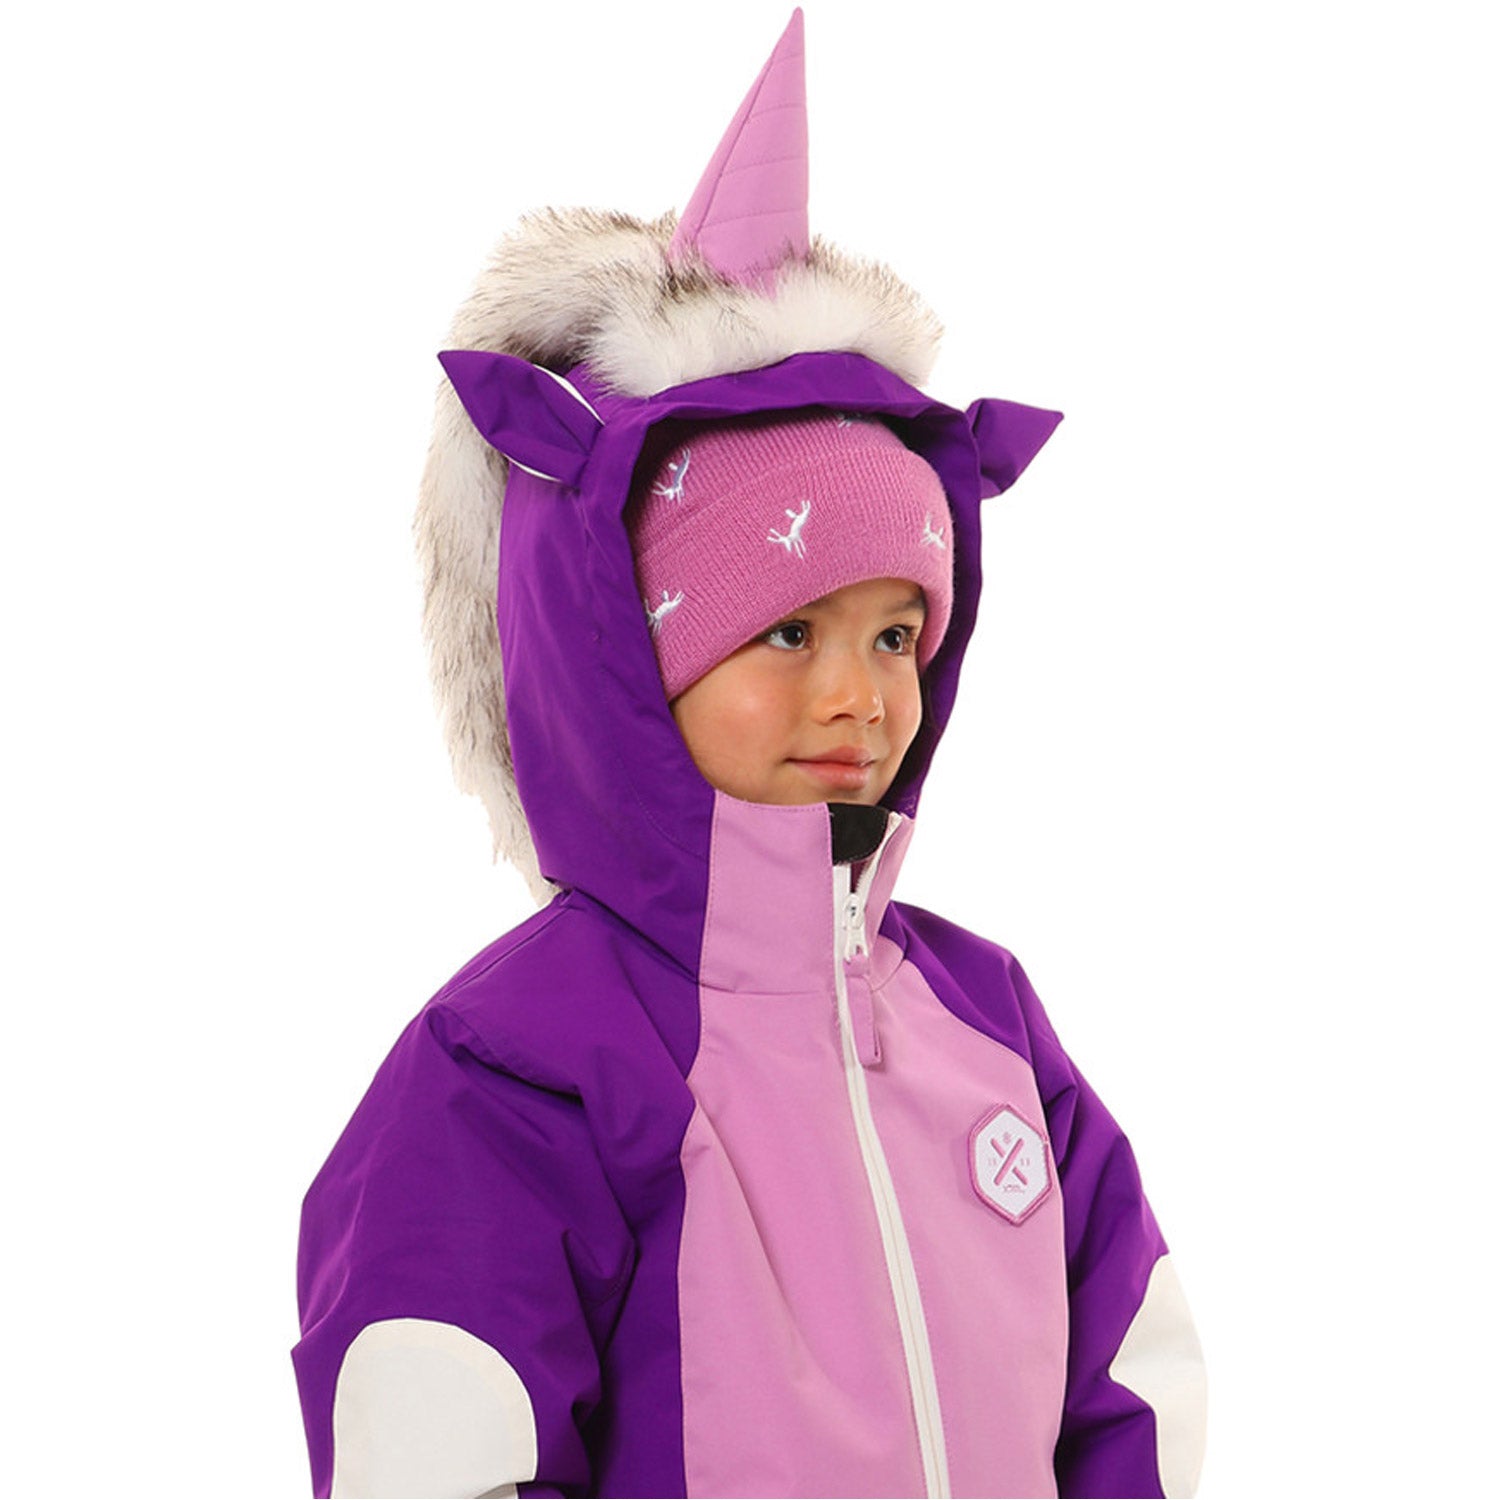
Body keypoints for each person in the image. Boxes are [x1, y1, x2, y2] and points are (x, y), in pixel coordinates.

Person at [293, 12, 1206, 1497]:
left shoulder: (985, 1022)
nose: (860, 698)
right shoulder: (522, 1062)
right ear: (624, 657)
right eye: (788, 633)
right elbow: (440, 1442)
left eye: (897, 635)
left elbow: (1128, 1378)